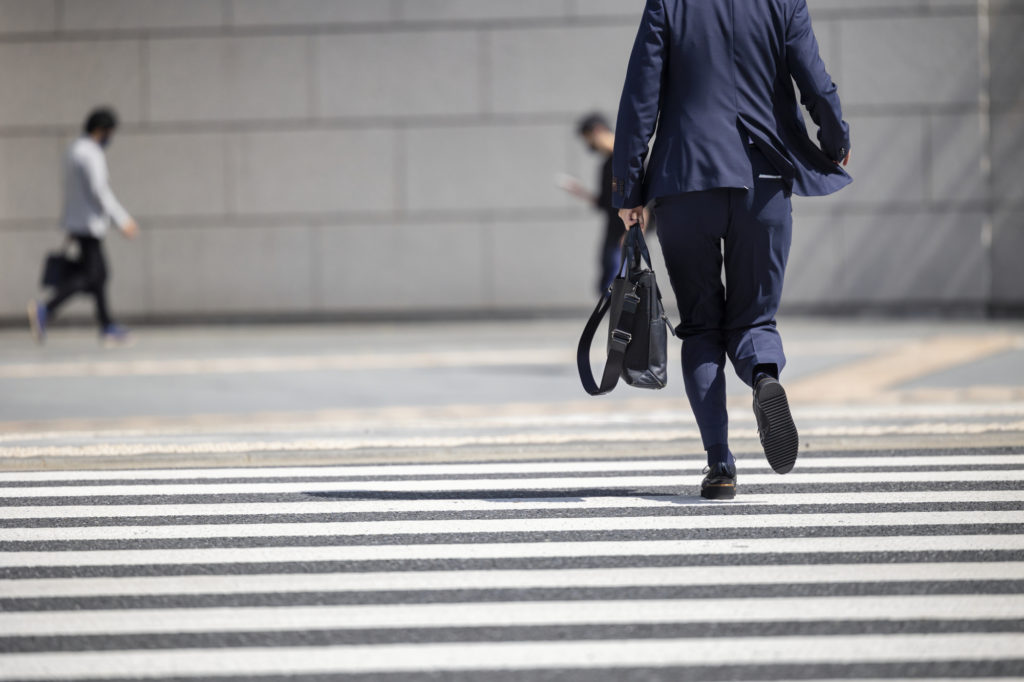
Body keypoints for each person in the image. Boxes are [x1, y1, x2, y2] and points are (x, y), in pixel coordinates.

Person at [612, 0, 852, 499]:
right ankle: (764, 377)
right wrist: (834, 137)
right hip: (760, 179)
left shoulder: (669, 5)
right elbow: (814, 78)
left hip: (685, 182)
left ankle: (720, 465)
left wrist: (628, 192)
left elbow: (640, 97)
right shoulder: (782, 3)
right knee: (755, 319)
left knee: (701, 325)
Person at [28, 107, 139, 347]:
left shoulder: (73, 150)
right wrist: (122, 220)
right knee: (92, 276)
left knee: (98, 276)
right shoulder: (90, 154)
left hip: (77, 222)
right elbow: (100, 191)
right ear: (101, 130)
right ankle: (45, 309)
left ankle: (106, 325)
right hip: (89, 224)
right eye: (109, 132)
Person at [561, 113, 627, 295]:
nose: (588, 145)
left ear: (597, 131)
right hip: (614, 230)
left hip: (624, 234)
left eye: (588, 139)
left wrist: (635, 231)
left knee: (618, 287)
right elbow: (606, 203)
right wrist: (581, 192)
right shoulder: (608, 164)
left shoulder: (628, 157)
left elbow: (644, 197)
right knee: (608, 285)